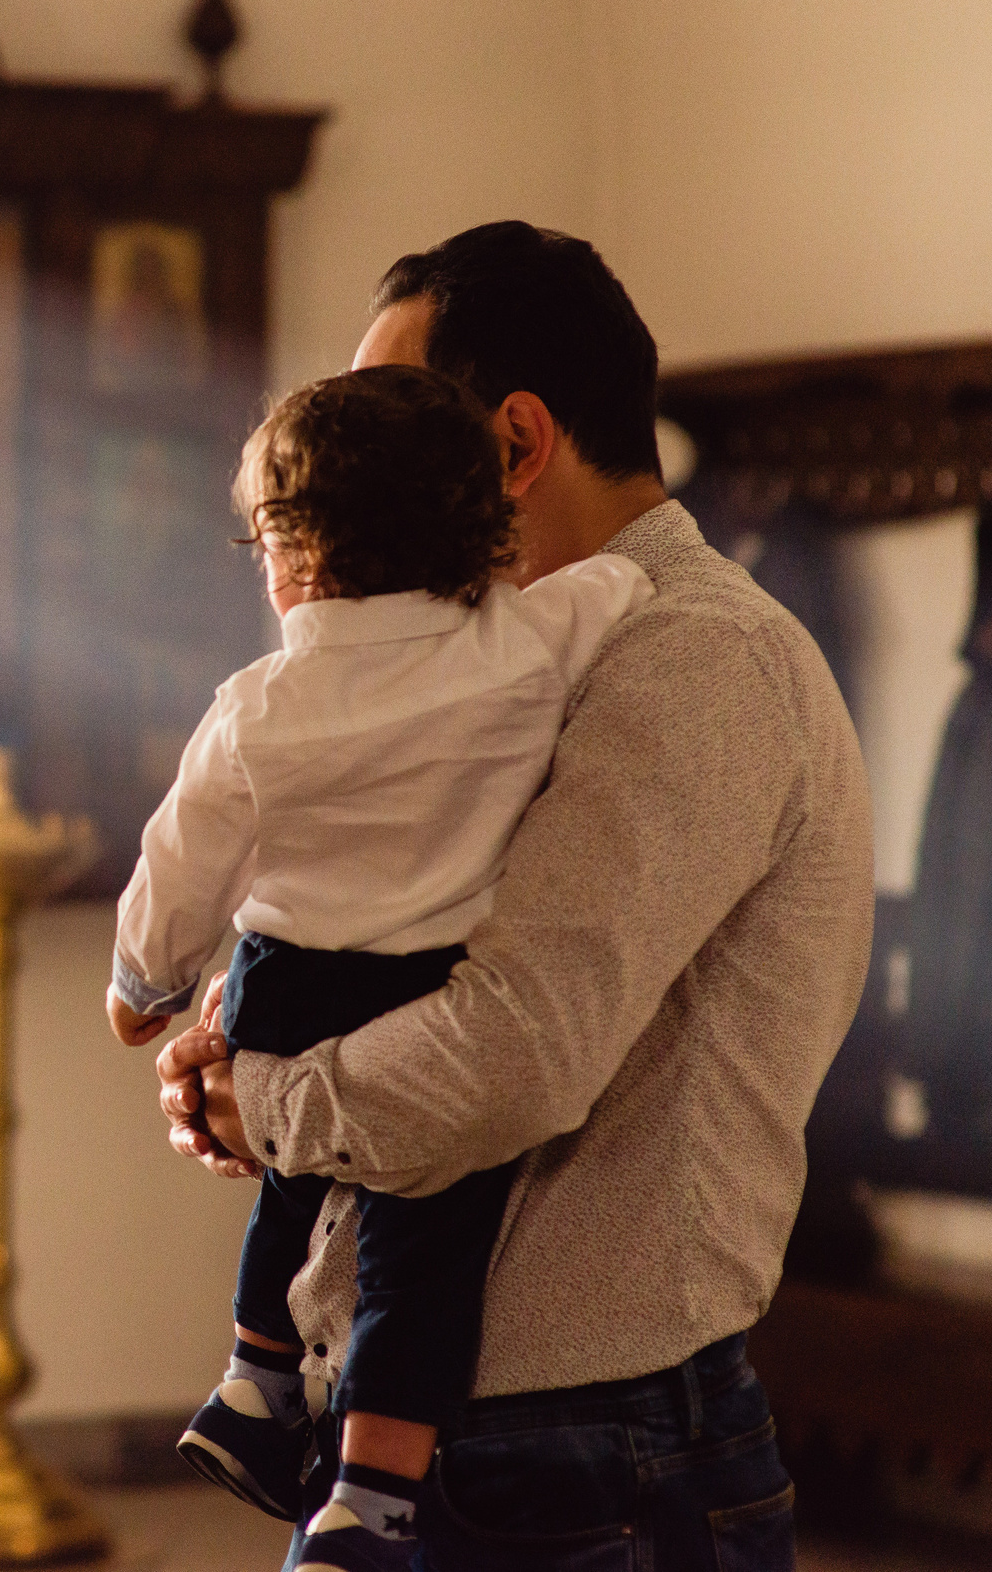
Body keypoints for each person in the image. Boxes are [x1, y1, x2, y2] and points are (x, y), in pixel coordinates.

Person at [156, 222, 873, 1572]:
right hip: (466, 1428)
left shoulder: (688, 661)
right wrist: (239, 1018)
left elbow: (512, 1047)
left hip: (585, 1454)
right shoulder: (482, 671)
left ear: (516, 444)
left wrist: (268, 1098)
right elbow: (389, 926)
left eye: (388, 425)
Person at [107, 364, 651, 1568]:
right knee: (425, 1250)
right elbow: (624, 581)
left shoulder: (257, 703)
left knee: (286, 1177)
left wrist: (141, 983)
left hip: (282, 980)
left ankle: (255, 1374)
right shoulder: (527, 640)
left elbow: (179, 858)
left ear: (295, 552)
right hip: (429, 990)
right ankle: (370, 1490)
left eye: (261, 537)